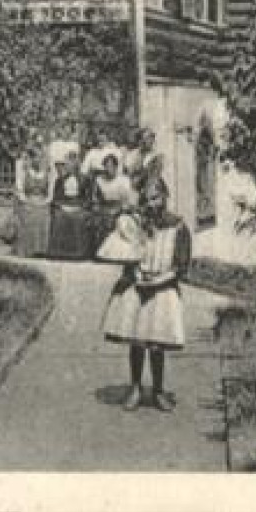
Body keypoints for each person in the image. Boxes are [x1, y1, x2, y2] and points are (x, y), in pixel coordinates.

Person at [100, 175, 191, 411]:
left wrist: (161, 279)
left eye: (156, 198)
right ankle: (136, 387)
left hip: (163, 287)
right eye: (148, 199)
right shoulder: (136, 224)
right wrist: (137, 273)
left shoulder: (178, 226)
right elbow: (127, 250)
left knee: (157, 342)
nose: (152, 204)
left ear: (165, 197)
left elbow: (181, 265)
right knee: (137, 340)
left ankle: (158, 390)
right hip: (138, 285)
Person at [44, 141, 92, 260]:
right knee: (59, 216)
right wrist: (61, 206)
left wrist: (81, 206)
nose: (69, 166)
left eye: (72, 163)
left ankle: (79, 253)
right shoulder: (60, 180)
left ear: (77, 164)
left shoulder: (85, 179)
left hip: (79, 205)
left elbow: (88, 197)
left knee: (79, 217)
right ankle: (60, 252)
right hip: (64, 204)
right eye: (67, 163)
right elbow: (56, 198)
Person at [11, 150, 53, 258]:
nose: (37, 160)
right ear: (31, 159)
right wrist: (26, 200)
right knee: (30, 212)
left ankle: (42, 250)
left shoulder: (47, 173)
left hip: (42, 201)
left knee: (43, 213)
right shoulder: (24, 172)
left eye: (40, 158)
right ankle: (28, 249)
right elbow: (20, 191)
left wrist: (46, 201)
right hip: (28, 200)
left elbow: (50, 193)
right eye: (35, 158)